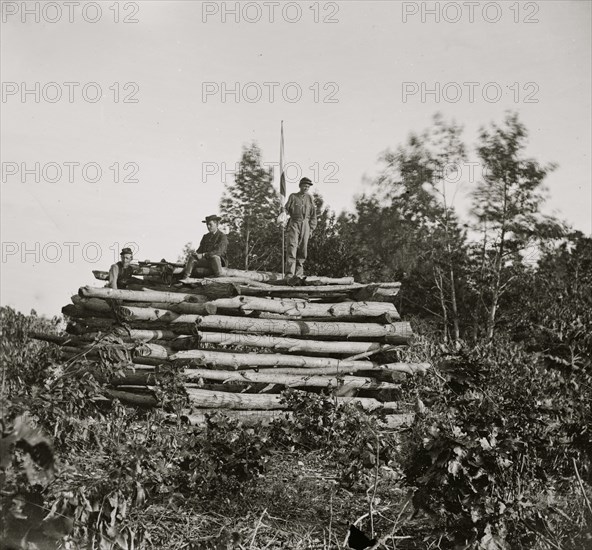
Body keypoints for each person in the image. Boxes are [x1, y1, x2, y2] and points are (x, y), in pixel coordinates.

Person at [282, 177, 317, 277]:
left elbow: (313, 215)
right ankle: (289, 274)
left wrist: (311, 229)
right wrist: (283, 213)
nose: (306, 188)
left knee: (303, 250)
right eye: (304, 186)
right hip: (294, 223)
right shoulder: (293, 196)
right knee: (292, 247)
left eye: (308, 186)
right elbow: (286, 209)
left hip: (305, 225)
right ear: (300, 186)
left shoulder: (310, 198)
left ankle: (298, 275)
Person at [181, 214, 228, 279]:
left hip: (218, 262)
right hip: (206, 261)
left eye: (210, 224)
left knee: (214, 257)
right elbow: (200, 250)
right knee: (192, 258)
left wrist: (203, 255)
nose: (208, 227)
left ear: (216, 224)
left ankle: (219, 278)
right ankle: (186, 278)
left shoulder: (222, 236)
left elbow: (219, 251)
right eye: (207, 225)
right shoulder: (205, 237)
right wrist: (196, 254)